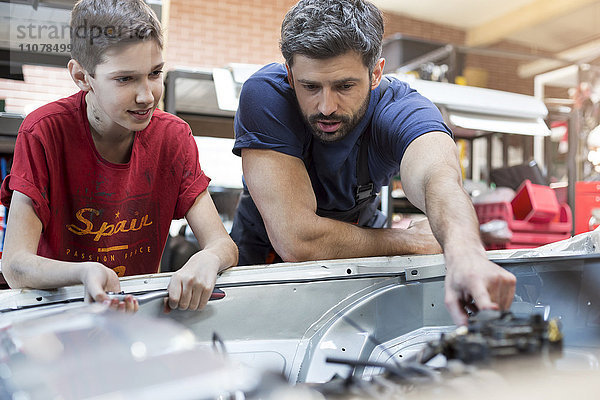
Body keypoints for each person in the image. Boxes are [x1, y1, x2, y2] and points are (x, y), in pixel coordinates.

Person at [230, 0, 515, 325]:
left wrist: (465, 253)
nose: (325, 106)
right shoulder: (266, 96)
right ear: (290, 76)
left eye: (344, 86)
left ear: (376, 73)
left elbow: (439, 178)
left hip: (357, 269)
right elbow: (299, 241)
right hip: (260, 270)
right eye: (310, 87)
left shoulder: (402, 110)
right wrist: (412, 242)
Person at [0, 0, 238, 312]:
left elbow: (224, 244)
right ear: (82, 77)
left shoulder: (174, 138)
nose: (146, 95)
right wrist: (83, 272)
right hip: (57, 317)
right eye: (124, 79)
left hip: (135, 318)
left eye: (154, 73)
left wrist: (207, 258)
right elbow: (15, 264)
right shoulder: (44, 132)